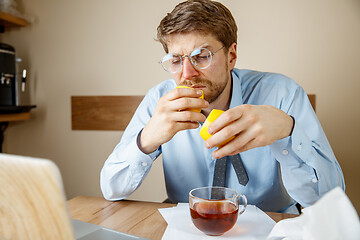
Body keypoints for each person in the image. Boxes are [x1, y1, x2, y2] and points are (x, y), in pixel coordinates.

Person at [100, 0, 344, 214]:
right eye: (176, 60)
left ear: (231, 56)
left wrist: (288, 131)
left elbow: (327, 201)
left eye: (202, 56)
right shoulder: (159, 100)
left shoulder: (282, 93)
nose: (187, 74)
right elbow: (111, 189)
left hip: (273, 224)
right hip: (187, 224)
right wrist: (145, 140)